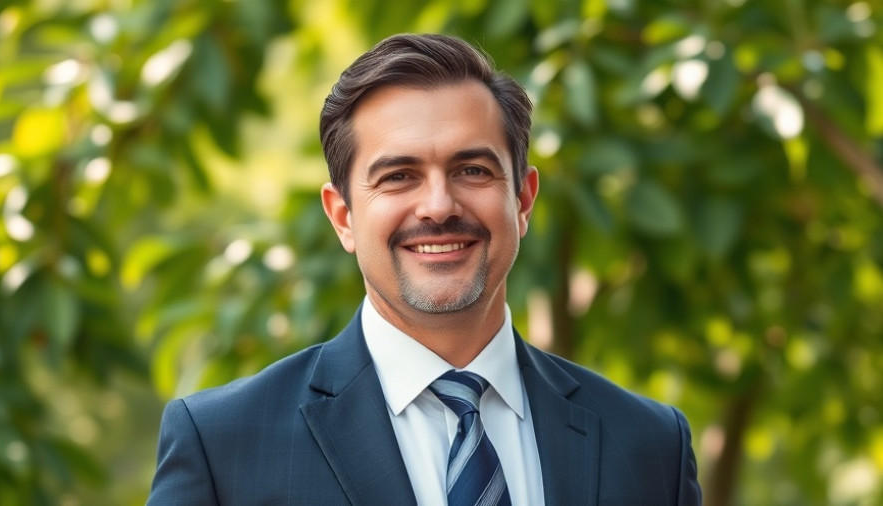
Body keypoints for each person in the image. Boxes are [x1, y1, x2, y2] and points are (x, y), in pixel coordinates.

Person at [147, 33, 702, 505]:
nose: (439, 206)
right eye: (398, 176)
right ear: (342, 217)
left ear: (523, 200)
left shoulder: (651, 445)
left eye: (473, 169)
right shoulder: (222, 445)